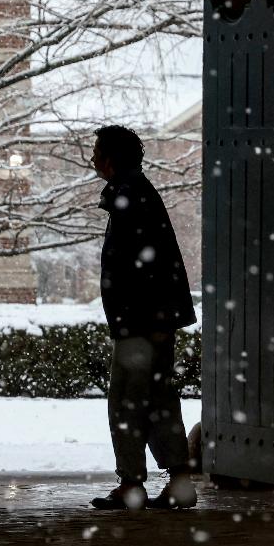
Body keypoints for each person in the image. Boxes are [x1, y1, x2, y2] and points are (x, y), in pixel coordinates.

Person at [89, 125, 198, 511]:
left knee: (126, 402)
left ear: (111, 159)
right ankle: (178, 482)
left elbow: (133, 268)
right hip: (154, 318)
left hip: (140, 321)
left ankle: (132, 484)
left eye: (97, 151)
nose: (92, 159)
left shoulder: (128, 196)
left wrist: (134, 320)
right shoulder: (139, 192)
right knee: (158, 398)